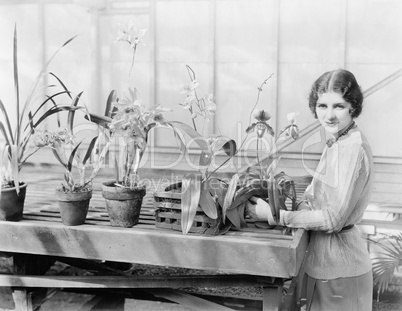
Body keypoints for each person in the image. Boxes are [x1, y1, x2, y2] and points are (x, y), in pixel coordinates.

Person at [247, 69, 374, 311]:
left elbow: (333, 218)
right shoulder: (338, 140)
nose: (329, 115)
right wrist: (305, 206)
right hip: (322, 264)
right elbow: (312, 195)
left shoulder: (353, 148)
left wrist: (277, 217)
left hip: (342, 271)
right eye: (322, 105)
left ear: (353, 107)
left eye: (339, 106)